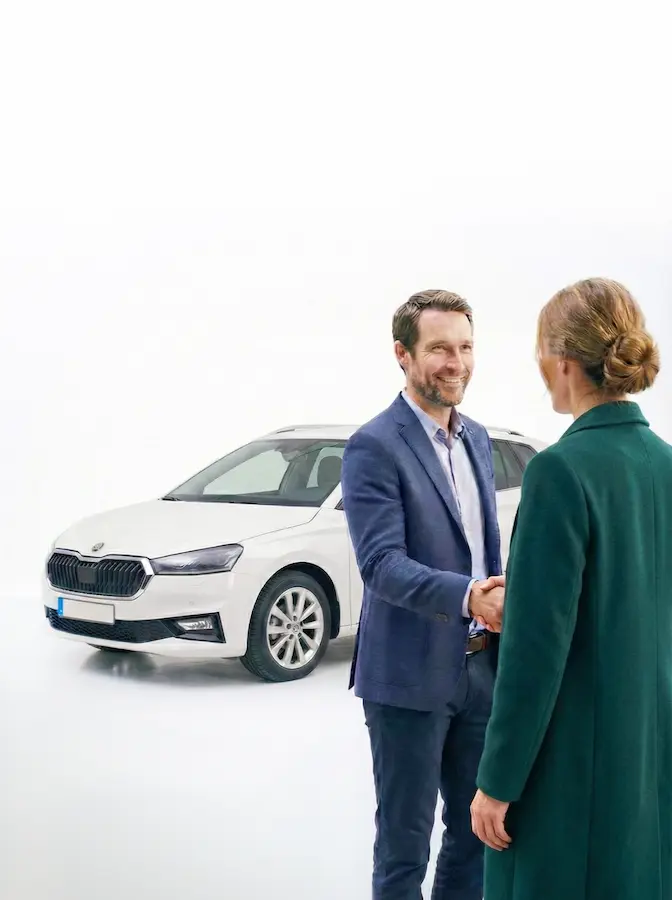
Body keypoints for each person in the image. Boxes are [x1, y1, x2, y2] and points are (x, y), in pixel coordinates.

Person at [470, 277, 670, 900]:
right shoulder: (665, 465)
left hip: (569, 772)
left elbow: (536, 652)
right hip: (647, 758)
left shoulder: (559, 471)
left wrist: (497, 781)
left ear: (560, 361)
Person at [341, 289, 505, 900]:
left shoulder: (478, 439)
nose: (455, 362)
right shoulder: (374, 445)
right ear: (402, 355)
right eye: (439, 348)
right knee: (405, 845)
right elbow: (381, 565)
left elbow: (479, 547)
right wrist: (469, 597)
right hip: (408, 676)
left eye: (465, 347)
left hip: (481, 668)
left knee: (477, 834)